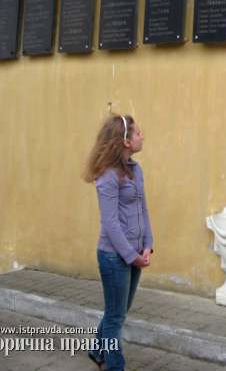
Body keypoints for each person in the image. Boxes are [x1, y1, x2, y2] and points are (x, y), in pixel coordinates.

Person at [83, 114, 153, 371]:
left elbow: (143, 209)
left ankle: (96, 350)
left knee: (118, 311)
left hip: (135, 253)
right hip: (114, 257)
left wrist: (148, 245)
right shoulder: (107, 177)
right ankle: (115, 366)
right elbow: (110, 224)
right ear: (124, 141)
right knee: (115, 317)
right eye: (137, 133)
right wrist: (131, 256)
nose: (142, 136)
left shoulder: (136, 170)